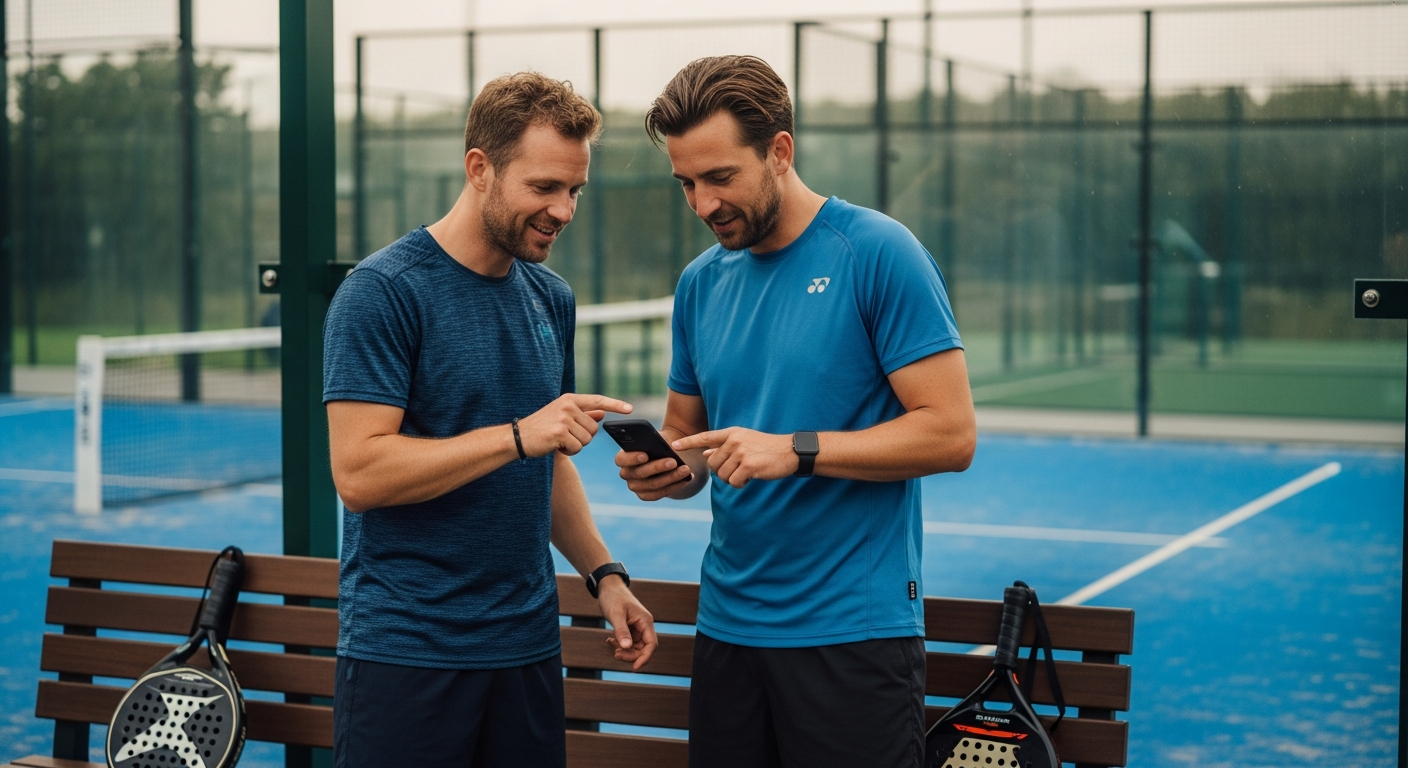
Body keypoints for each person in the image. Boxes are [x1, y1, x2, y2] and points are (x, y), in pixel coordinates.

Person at [618, 56, 977, 768]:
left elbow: (951, 433)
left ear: (780, 151)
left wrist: (796, 450)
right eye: (687, 183)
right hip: (727, 632)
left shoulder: (878, 253)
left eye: (720, 177)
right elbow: (689, 435)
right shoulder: (699, 284)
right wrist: (667, 469)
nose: (703, 204)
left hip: (852, 635)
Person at [324, 72, 658, 768]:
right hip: (408, 656)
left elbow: (549, 457)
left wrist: (605, 575)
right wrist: (517, 436)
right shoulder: (381, 293)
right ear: (480, 168)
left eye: (575, 190)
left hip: (527, 652)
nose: (563, 209)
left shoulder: (551, 297)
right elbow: (359, 473)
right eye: (544, 187)